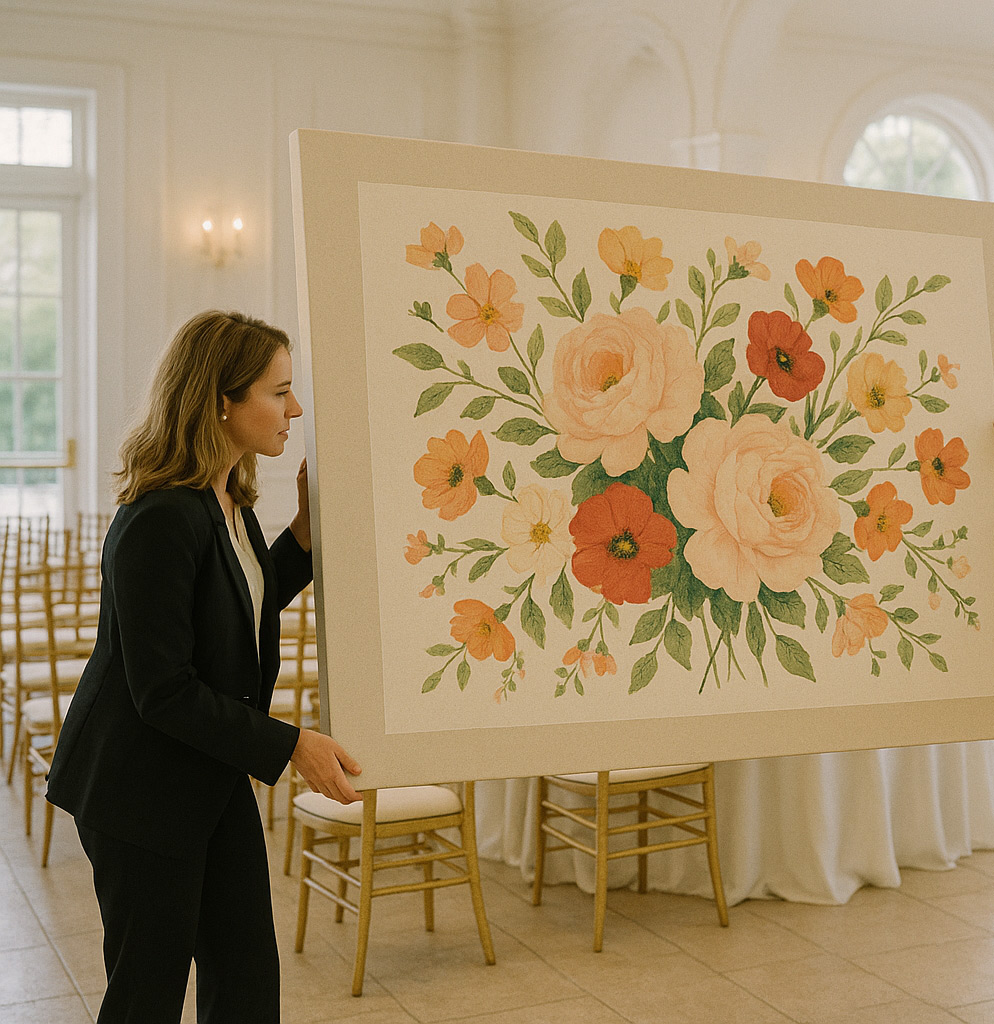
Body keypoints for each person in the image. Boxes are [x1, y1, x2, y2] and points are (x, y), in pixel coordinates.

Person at [46, 310, 361, 1024]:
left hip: (208, 777)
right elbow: (163, 691)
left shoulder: (229, 498)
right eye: (279, 393)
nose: (296, 409)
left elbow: (238, 607)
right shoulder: (159, 516)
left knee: (247, 980)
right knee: (147, 994)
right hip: (140, 788)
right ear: (223, 400)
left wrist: (302, 539)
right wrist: (291, 744)